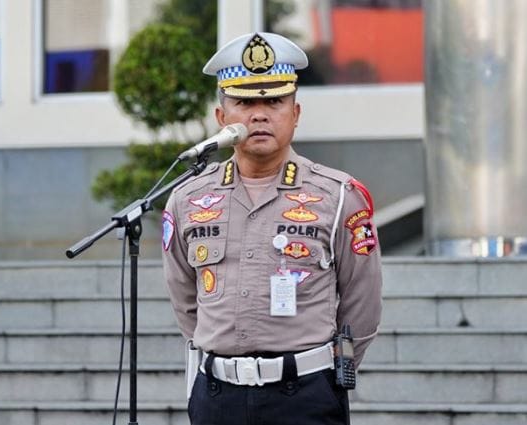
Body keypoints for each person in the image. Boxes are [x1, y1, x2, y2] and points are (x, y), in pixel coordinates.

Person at [162, 32, 382, 425]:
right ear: (221, 118)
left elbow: (362, 303)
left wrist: (326, 376)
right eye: (244, 103)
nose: (259, 115)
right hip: (217, 398)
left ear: (295, 114)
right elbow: (185, 298)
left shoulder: (338, 196)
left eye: (274, 102)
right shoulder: (188, 199)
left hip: (304, 398)